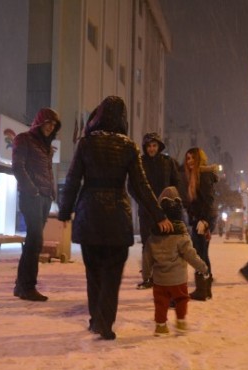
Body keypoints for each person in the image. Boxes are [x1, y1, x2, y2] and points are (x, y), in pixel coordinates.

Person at [58, 96, 173, 340]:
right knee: (112, 275)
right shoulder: (129, 146)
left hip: (89, 215)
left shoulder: (86, 143)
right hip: (117, 218)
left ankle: (95, 319)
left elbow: (72, 180)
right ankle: (105, 322)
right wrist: (159, 214)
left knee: (94, 274)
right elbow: (141, 187)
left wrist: (65, 210)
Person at [143, 187, 208, 336]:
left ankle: (160, 326)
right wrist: (203, 267)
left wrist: (146, 275)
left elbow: (147, 258)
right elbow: (191, 255)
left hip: (160, 280)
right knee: (181, 299)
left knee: (160, 302)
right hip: (178, 280)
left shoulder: (152, 238)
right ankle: (180, 322)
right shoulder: (181, 237)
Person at [12, 107, 61, 301]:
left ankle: (20, 285)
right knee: (35, 241)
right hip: (31, 197)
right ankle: (27, 286)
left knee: (33, 242)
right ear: (40, 122)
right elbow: (17, 166)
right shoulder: (24, 139)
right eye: (48, 123)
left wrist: (51, 192)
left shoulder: (47, 146)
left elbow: (48, 171)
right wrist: (32, 189)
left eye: (54, 125)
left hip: (44, 198)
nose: (50, 127)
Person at [132, 132, 180, 290]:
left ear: (159, 146)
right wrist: (142, 202)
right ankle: (148, 277)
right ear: (145, 147)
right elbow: (131, 186)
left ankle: (163, 277)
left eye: (154, 145)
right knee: (147, 244)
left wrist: (172, 203)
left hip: (164, 210)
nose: (152, 149)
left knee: (164, 244)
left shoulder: (167, 162)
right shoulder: (139, 163)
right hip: (146, 210)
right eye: (149, 146)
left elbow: (176, 183)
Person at [179, 147, 218, 301]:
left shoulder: (203, 175)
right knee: (202, 253)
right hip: (201, 219)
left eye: (192, 158)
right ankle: (205, 289)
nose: (189, 162)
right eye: (187, 158)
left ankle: (202, 289)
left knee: (199, 254)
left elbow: (208, 200)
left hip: (203, 219)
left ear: (199, 159)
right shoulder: (197, 175)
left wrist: (205, 221)